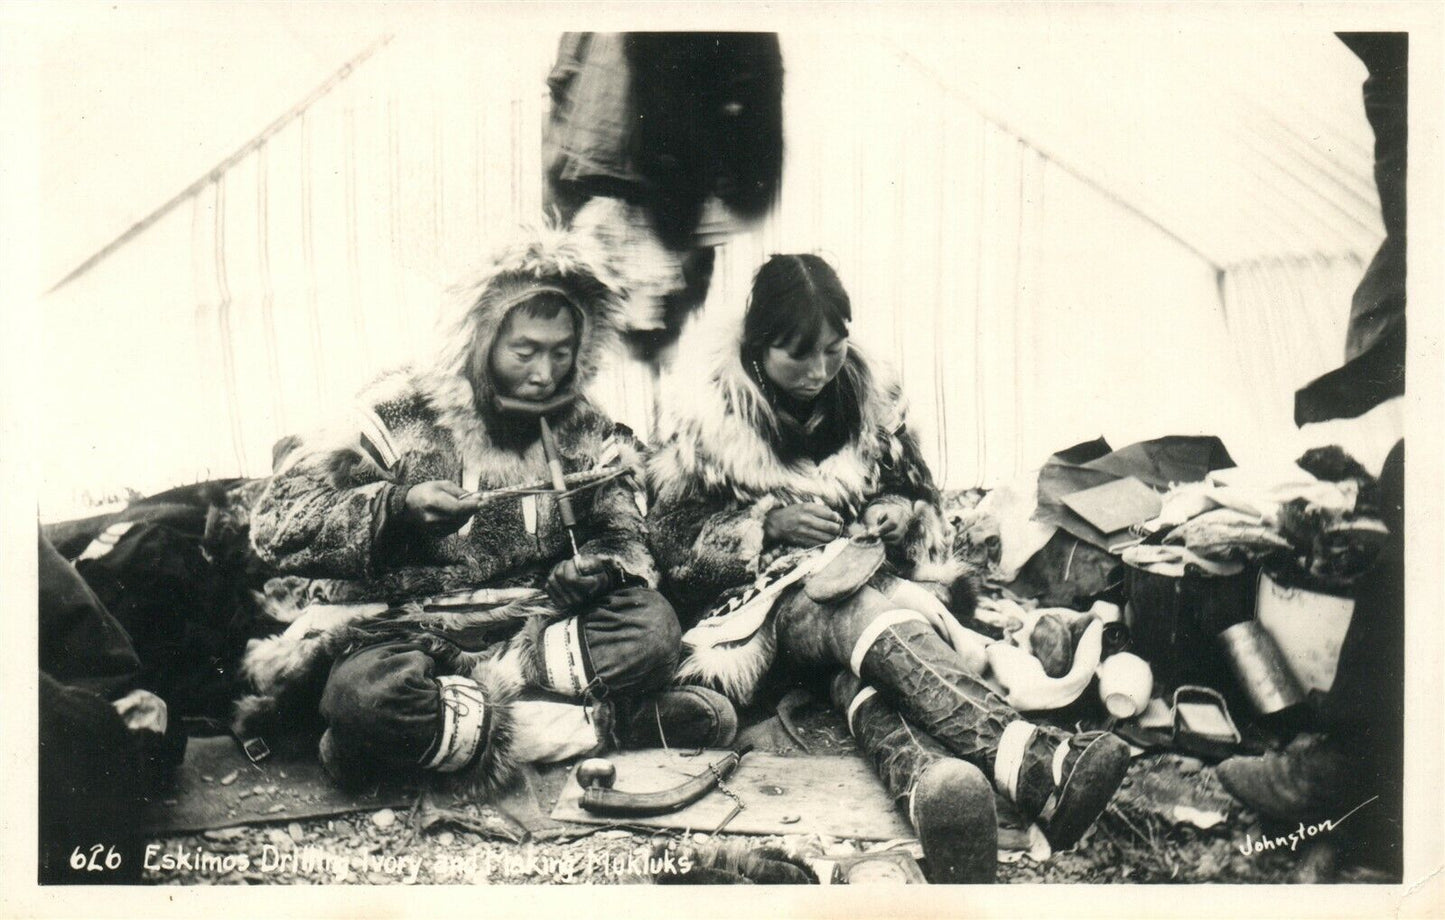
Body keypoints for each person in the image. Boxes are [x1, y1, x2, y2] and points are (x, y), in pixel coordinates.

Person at [646, 254, 1130, 881]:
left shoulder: (871, 397)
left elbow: (919, 492)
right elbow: (670, 544)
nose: (820, 372)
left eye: (834, 349)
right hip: (759, 622)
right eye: (798, 355)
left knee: (865, 674)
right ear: (757, 344)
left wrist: (897, 510)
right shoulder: (705, 420)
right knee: (853, 608)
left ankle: (934, 788)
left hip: (864, 608)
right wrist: (760, 526)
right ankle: (1032, 757)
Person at [239, 226, 736, 793]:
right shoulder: (396, 411)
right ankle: (606, 726)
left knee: (652, 630)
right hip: (398, 632)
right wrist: (394, 509)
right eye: (524, 351)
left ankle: (403, 745)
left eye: (561, 352)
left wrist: (594, 567)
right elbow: (279, 519)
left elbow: (620, 523)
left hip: (533, 629)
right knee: (365, 695)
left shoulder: (584, 425)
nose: (544, 373)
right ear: (480, 338)